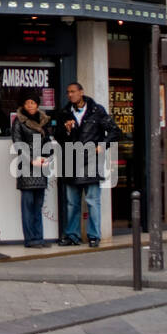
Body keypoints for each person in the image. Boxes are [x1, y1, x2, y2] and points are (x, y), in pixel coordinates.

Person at [54, 82, 122, 248]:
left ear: (81, 92)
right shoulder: (64, 112)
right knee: (72, 203)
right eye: (68, 92)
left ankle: (94, 235)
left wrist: (103, 145)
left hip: (91, 160)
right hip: (70, 161)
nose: (70, 95)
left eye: (73, 91)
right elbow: (57, 136)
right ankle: (72, 235)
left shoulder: (96, 110)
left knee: (92, 201)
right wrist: (67, 130)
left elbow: (115, 131)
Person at [11, 94, 56, 248]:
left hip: (41, 167)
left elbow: (48, 142)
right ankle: (30, 239)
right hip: (27, 168)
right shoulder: (19, 121)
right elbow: (17, 144)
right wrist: (31, 160)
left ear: (37, 105)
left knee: (38, 205)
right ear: (23, 105)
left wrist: (46, 157)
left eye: (33, 103)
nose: (30, 105)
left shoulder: (44, 120)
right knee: (28, 206)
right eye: (27, 102)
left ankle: (39, 238)